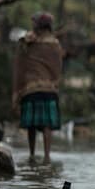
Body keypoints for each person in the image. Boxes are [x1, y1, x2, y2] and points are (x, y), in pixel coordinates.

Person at [12, 12, 64, 161]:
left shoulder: (29, 41)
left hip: (30, 89)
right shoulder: (54, 43)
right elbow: (57, 66)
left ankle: (32, 154)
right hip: (49, 89)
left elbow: (20, 60)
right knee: (47, 125)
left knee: (31, 126)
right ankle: (47, 156)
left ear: (39, 26)